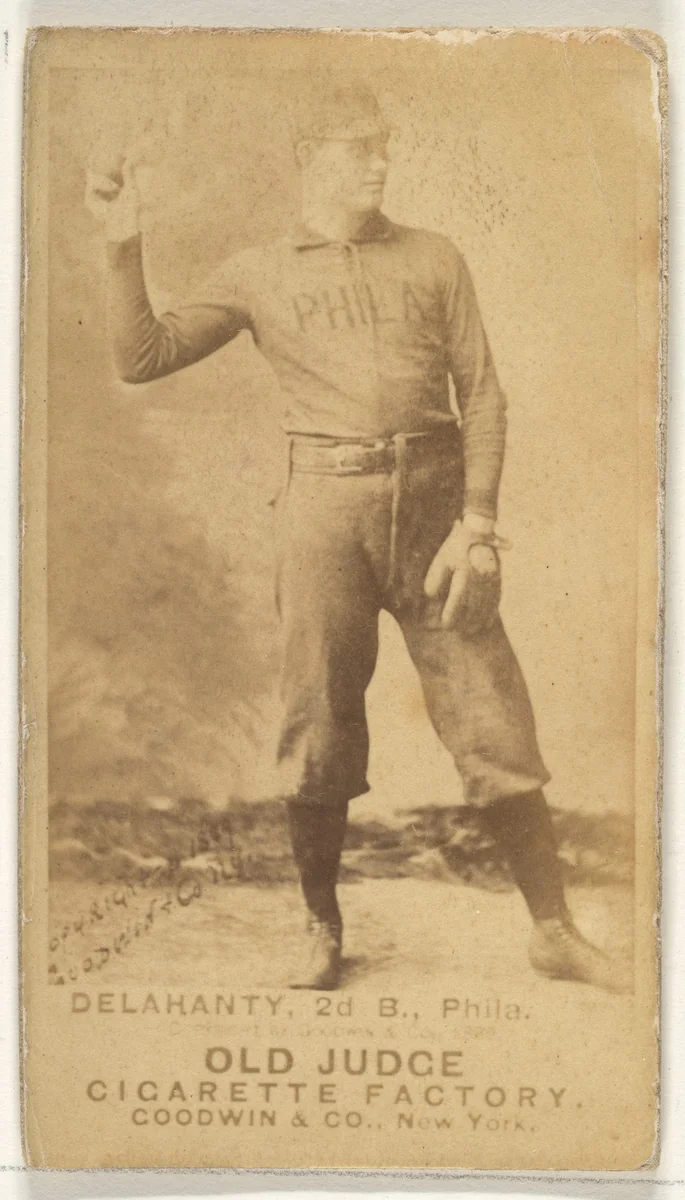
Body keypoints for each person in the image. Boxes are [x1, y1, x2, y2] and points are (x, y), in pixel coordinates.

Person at [85, 83, 630, 994]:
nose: (377, 162)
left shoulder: (433, 257)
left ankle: (554, 930)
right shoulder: (261, 269)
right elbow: (141, 358)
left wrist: (481, 523)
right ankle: (320, 929)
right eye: (354, 148)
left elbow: (483, 394)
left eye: (381, 145)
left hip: (435, 516)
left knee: (492, 720)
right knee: (320, 723)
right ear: (309, 156)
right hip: (323, 514)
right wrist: (121, 241)